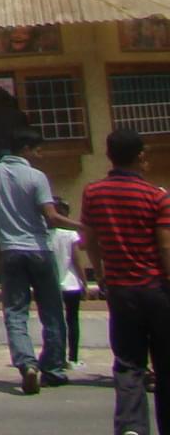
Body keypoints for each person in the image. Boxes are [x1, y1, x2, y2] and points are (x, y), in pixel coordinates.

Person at [81, 126, 170, 435]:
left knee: (129, 361)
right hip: (156, 288)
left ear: (109, 156)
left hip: (120, 289)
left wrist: (101, 274)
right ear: (141, 156)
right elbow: (165, 245)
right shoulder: (156, 196)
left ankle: (132, 426)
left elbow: (89, 239)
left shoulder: (93, 193)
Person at [0, 128, 79, 394]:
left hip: (9, 252)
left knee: (15, 312)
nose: (40, 155)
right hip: (39, 249)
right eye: (37, 150)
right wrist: (84, 226)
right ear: (25, 150)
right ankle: (54, 368)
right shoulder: (37, 177)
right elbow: (51, 216)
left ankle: (26, 364)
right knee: (52, 311)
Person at [50, 197, 88, 371]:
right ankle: (72, 358)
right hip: (71, 284)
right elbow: (77, 260)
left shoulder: (46, 235)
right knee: (73, 320)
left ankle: (56, 356)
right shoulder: (71, 235)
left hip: (52, 285)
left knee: (54, 322)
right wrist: (84, 281)